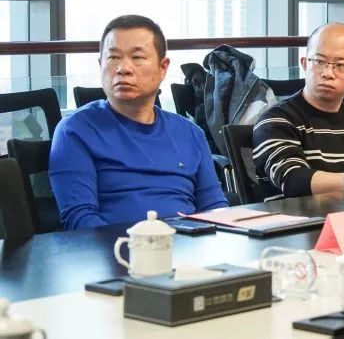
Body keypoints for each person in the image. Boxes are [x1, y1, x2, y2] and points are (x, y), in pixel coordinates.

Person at [49, 15, 229, 230]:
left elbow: (215, 208)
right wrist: (144, 246)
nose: (123, 68)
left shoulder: (190, 133)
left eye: (137, 57)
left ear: (163, 68)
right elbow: (80, 220)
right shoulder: (75, 130)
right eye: (113, 57)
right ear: (100, 64)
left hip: (188, 245)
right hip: (115, 247)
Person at [252, 23, 344, 198]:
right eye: (319, 61)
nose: (328, 73)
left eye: (341, 65)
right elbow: (292, 180)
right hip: (296, 215)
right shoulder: (276, 120)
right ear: (305, 64)